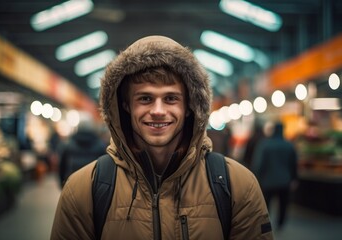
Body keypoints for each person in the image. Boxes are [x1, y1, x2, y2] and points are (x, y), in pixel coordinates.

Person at [51, 36, 273, 239]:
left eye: (170, 98)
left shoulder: (237, 186)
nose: (158, 110)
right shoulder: (83, 190)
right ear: (126, 105)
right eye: (145, 98)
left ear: (189, 106)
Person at [251, 121, 298, 230]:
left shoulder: (265, 144)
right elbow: (294, 164)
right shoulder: (289, 145)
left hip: (268, 181)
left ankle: (266, 224)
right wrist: (294, 178)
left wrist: (257, 177)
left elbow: (258, 163)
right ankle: (281, 224)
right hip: (285, 180)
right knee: (283, 204)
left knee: (266, 205)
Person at [57, 120, 107, 187]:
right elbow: (104, 168)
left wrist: (62, 182)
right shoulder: (100, 145)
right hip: (92, 186)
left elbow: (62, 166)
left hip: (72, 184)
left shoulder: (68, 144)